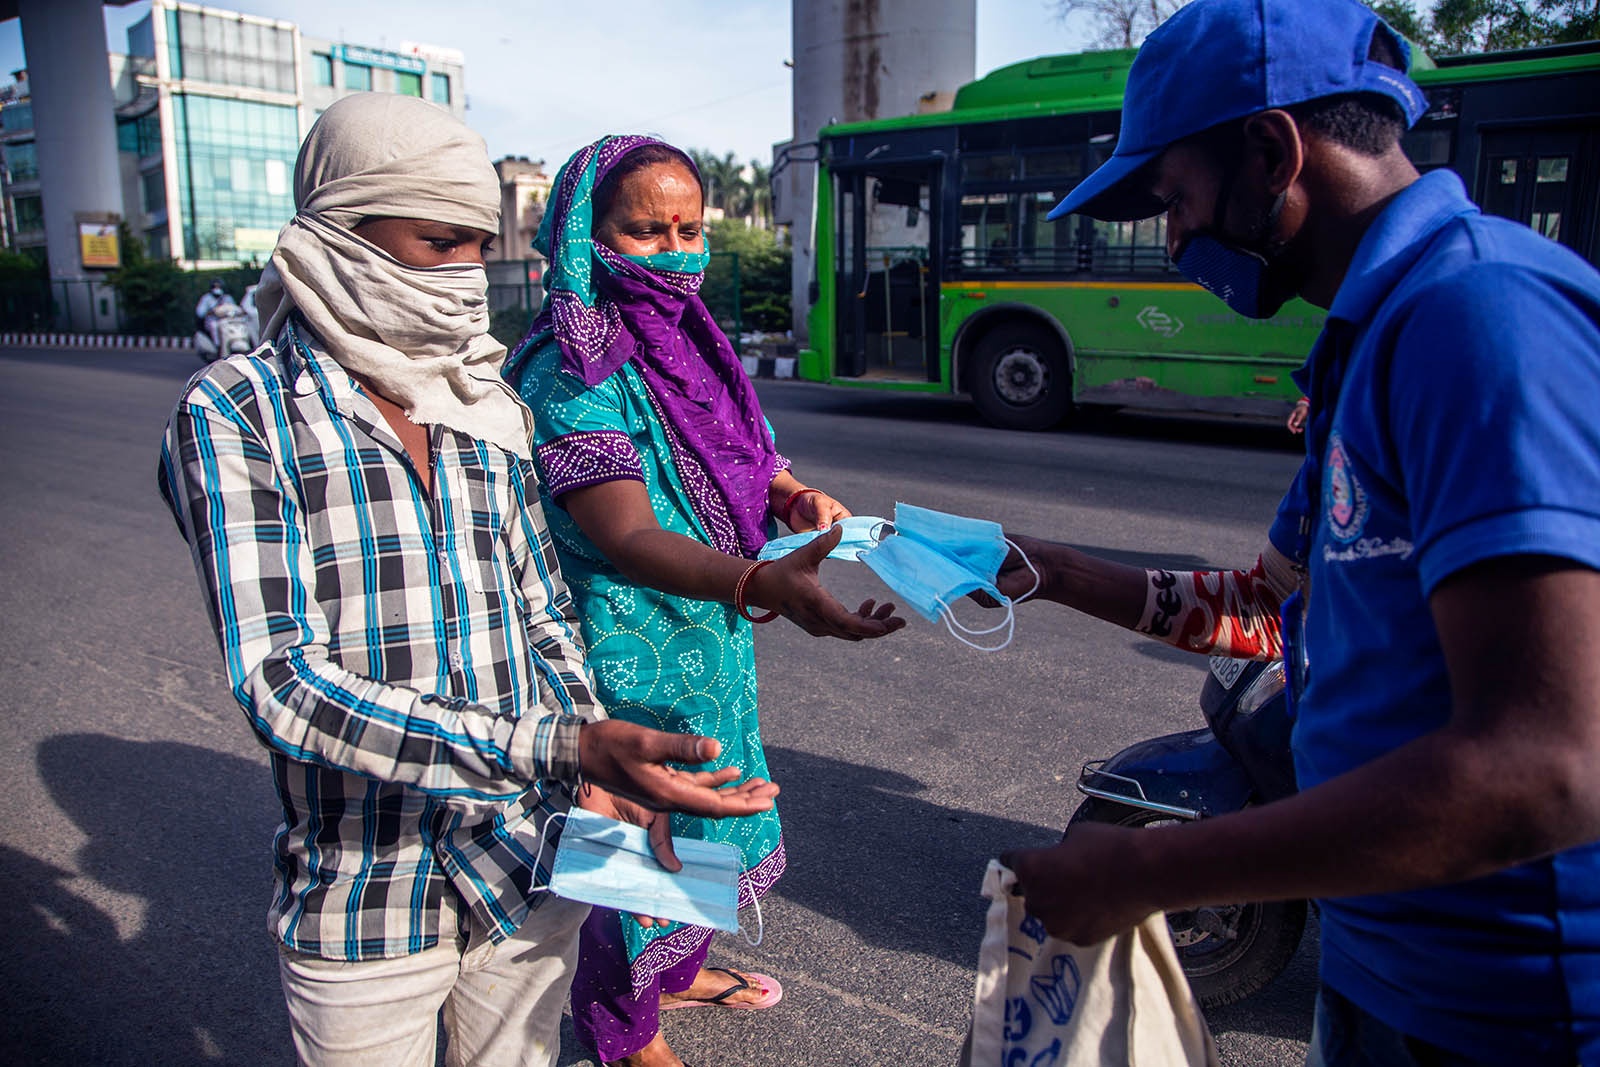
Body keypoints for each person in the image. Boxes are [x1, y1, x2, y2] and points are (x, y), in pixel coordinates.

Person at [990, 1, 1600, 1064]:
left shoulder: (1477, 314)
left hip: (1518, 997)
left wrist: (1151, 871)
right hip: (1384, 953)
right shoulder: (1365, 340)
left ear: (1270, 152)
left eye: (1174, 199)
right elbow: (1273, 605)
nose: (1174, 237)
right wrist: (1053, 571)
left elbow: (1547, 761)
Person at [157, 96, 779, 1067]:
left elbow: (539, 614)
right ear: (338, 229)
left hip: (531, 864)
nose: (461, 276)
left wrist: (585, 762)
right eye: (437, 241)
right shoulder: (240, 412)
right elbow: (282, 682)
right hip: (372, 891)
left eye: (475, 247)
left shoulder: (484, 399)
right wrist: (566, 743)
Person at [504, 135, 904, 1067]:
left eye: (690, 229)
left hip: (708, 623)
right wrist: (764, 581)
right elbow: (626, 536)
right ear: (583, 237)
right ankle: (621, 1030)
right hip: (617, 639)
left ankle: (671, 975)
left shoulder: (691, 342)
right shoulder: (572, 370)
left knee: (706, 801)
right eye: (645, 232)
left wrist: (793, 499)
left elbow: (750, 458)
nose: (676, 251)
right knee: (630, 822)